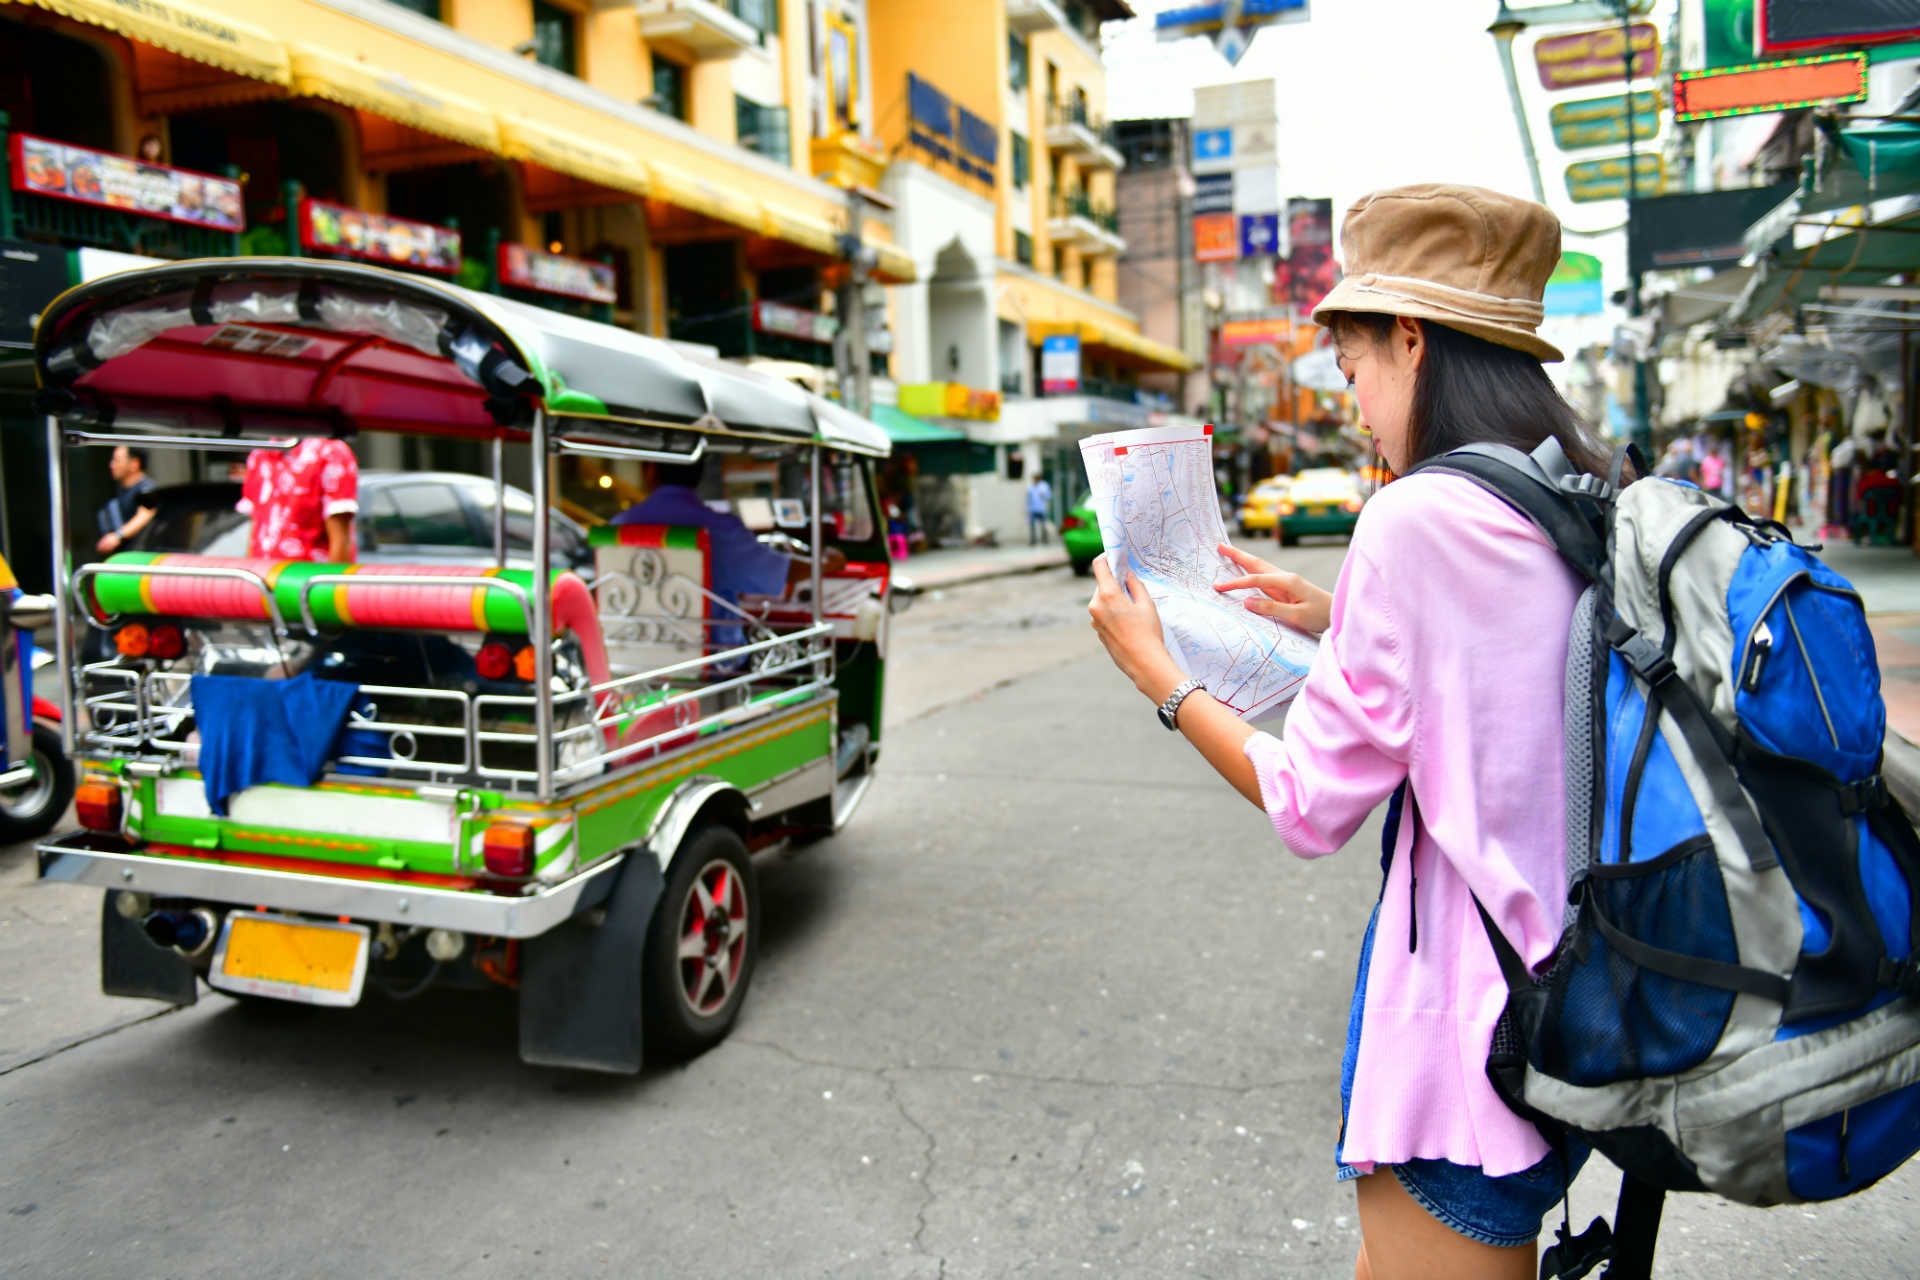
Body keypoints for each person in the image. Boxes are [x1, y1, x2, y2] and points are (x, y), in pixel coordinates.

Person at [1088, 185, 1605, 1280]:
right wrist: (1338, 618)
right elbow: (1492, 701)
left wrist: (1163, 677)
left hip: (1472, 1030)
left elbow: (1310, 803)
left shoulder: (1415, 516)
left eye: (1356, 366)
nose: (1353, 399)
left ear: (1411, 340)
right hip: (1569, 987)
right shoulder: (1570, 485)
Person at [612, 457, 844, 651]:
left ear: (649, 471)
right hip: (713, 664)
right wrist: (825, 563)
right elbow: (780, 573)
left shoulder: (617, 528)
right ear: (699, 474)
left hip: (628, 658)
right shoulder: (722, 530)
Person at [238, 438, 359, 562]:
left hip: (308, 576)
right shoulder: (260, 453)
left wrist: (333, 580)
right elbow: (255, 528)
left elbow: (341, 539)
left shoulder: (330, 451)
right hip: (263, 573)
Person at [95, 446, 158, 556]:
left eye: (117, 460)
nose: (112, 465)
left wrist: (117, 536)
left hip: (142, 557)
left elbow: (145, 514)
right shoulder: (119, 493)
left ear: (134, 464)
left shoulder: (147, 488)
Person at [1026, 472, 1054, 546]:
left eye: (1036, 478)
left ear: (1039, 479)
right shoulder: (1031, 487)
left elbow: (1049, 496)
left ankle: (1044, 539)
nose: (1034, 480)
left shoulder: (1044, 486)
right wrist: (1028, 509)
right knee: (1032, 525)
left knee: (1043, 525)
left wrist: (1044, 495)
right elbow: (1028, 498)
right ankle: (1033, 540)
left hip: (1042, 509)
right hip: (1033, 509)